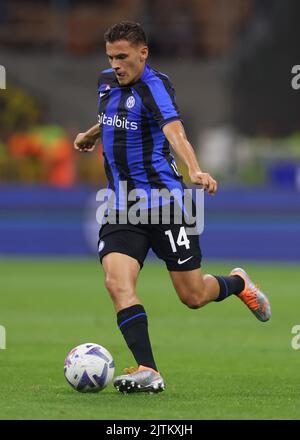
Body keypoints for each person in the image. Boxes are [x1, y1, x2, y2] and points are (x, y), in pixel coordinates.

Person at [74, 21, 271, 394]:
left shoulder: (155, 87)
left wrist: (193, 169)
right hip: (122, 207)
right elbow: (113, 116)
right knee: (117, 283)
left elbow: (174, 131)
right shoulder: (105, 81)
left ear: (142, 53)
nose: (115, 64)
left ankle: (238, 283)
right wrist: (91, 134)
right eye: (111, 57)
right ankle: (148, 369)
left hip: (166, 205)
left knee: (193, 296)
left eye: (123, 57)